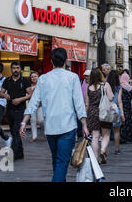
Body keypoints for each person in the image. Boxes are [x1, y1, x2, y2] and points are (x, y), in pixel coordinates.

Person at [20, 48, 88, 182]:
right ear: (66, 61)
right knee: (62, 162)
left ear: (51, 61)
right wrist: (84, 124)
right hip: (67, 126)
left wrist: (24, 122)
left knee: (56, 160)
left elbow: (34, 102)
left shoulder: (44, 78)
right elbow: (79, 103)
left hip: (50, 127)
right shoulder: (72, 77)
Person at [0, 61, 32, 160]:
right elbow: (1, 93)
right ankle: (20, 153)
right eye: (14, 68)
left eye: (17, 68)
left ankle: (12, 154)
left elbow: (31, 95)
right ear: (11, 69)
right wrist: (5, 95)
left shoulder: (24, 81)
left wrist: (20, 99)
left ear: (20, 69)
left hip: (21, 109)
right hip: (10, 109)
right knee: (13, 132)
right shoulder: (7, 80)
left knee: (17, 131)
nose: (16, 70)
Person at [85, 68, 114, 164]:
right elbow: (111, 98)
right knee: (106, 135)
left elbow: (87, 104)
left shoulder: (88, 88)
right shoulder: (105, 85)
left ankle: (95, 159)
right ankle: (102, 152)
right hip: (104, 112)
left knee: (95, 137)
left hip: (92, 113)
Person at [108, 70, 125, 154]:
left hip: (106, 110)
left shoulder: (105, 86)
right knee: (117, 131)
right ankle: (117, 149)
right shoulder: (119, 88)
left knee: (106, 132)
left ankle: (104, 150)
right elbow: (119, 101)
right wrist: (122, 113)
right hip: (115, 110)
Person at [120, 71, 132, 144]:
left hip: (121, 106)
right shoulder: (129, 88)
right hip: (128, 106)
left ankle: (122, 137)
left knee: (122, 122)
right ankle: (130, 137)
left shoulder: (119, 87)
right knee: (129, 122)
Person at [29, 71, 44, 142]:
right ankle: (34, 136)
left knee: (41, 120)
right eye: (32, 77)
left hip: (41, 105)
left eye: (35, 76)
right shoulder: (29, 86)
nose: (33, 78)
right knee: (33, 120)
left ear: (38, 77)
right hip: (32, 106)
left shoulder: (42, 85)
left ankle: (45, 130)